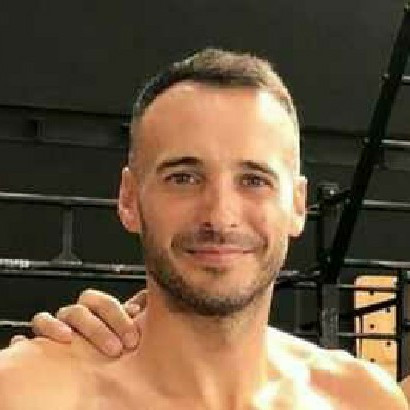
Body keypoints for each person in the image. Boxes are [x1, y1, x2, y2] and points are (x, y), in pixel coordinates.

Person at [0, 48, 407, 409]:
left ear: (298, 206)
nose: (220, 216)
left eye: (254, 180)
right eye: (183, 178)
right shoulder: (28, 394)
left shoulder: (362, 400)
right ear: (129, 199)